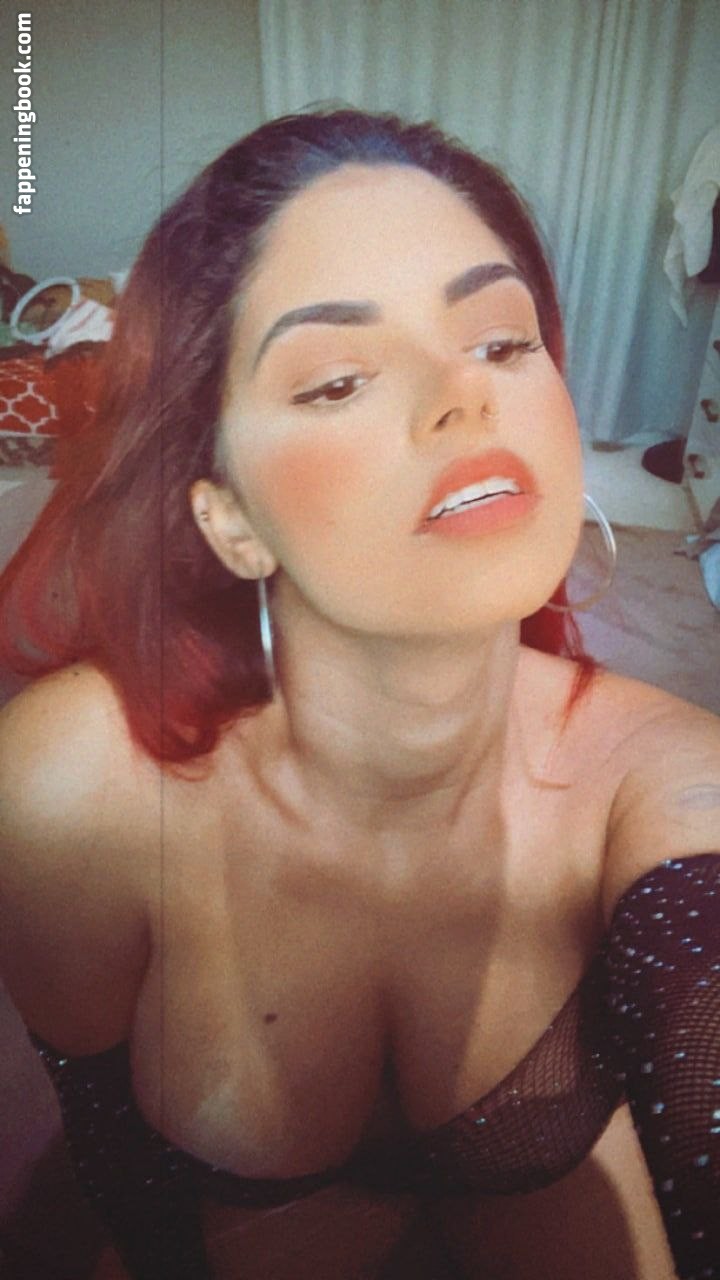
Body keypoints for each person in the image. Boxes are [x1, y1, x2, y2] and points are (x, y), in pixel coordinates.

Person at [0, 108, 717, 1280]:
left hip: (529, 1182)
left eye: (501, 341)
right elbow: (114, 1147)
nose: (463, 396)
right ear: (229, 517)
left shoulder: (675, 789)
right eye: (337, 380)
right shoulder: (70, 787)